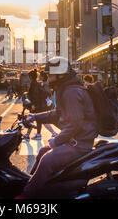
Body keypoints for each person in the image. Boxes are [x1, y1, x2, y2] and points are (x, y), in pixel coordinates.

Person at [17, 57, 98, 199]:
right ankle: (35, 187)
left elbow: (75, 123)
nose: (48, 79)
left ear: (60, 75)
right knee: (43, 151)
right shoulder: (66, 89)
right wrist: (34, 117)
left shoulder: (71, 93)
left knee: (47, 161)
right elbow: (57, 113)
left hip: (79, 144)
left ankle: (25, 197)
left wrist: (57, 140)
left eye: (50, 75)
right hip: (75, 140)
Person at [24, 70, 46, 141]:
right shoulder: (37, 83)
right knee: (38, 120)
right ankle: (37, 134)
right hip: (38, 104)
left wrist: (33, 104)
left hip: (35, 105)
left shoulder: (33, 84)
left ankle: (28, 135)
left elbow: (35, 95)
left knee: (31, 119)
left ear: (30, 77)